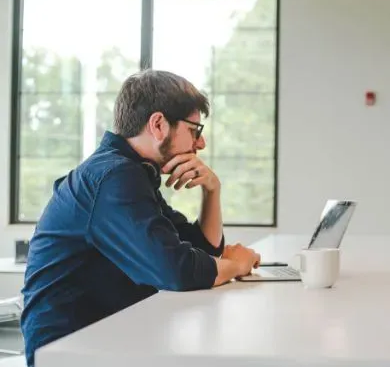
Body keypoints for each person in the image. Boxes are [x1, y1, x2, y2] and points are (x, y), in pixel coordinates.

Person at [19, 69, 261, 367]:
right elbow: (175, 271)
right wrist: (236, 265)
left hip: (102, 340)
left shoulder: (132, 173)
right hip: (69, 352)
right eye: (194, 131)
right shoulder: (114, 177)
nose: (201, 144)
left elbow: (203, 249)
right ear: (158, 124)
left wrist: (212, 190)